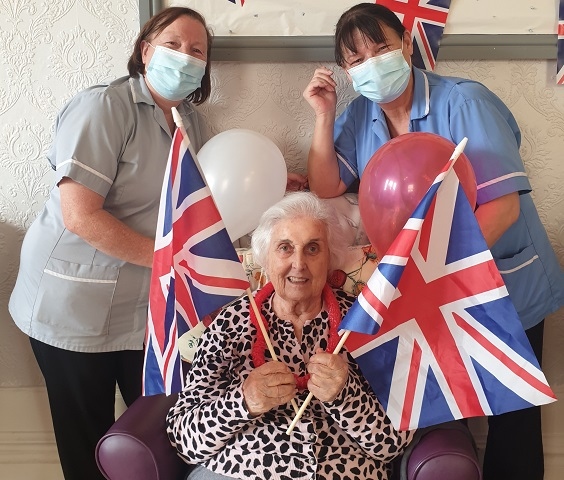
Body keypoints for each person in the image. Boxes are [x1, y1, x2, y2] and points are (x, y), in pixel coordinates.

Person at [302, 3, 564, 480]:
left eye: (380, 48)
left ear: (406, 44)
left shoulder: (463, 102)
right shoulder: (361, 114)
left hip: (499, 283)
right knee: (452, 409)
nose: (370, 63)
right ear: (346, 70)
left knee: (512, 414)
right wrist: (323, 115)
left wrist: (433, 274)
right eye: (356, 59)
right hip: (431, 291)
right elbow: (326, 186)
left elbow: (502, 207)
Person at [8, 7, 213, 480]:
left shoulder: (192, 124)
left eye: (197, 51)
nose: (185, 57)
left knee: (153, 431)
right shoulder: (105, 107)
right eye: (174, 45)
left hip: (142, 308)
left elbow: (200, 195)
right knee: (88, 441)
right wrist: (170, 264)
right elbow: (81, 216)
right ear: (145, 52)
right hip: (72, 306)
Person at [167, 191, 413, 480]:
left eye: (312, 249)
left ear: (330, 258)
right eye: (285, 247)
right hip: (244, 470)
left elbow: (393, 443)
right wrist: (243, 401)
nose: (298, 263)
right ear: (266, 258)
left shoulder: (363, 324)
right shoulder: (229, 324)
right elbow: (184, 439)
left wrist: (345, 396)